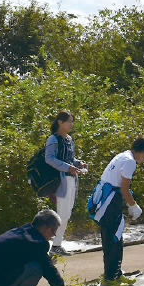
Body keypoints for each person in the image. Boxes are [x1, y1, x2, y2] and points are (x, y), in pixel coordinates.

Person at [88, 136, 144, 286]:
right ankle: (111, 278)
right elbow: (124, 189)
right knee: (114, 239)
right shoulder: (130, 161)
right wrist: (133, 205)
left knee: (111, 238)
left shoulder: (123, 155)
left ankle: (114, 273)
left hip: (105, 199)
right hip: (110, 203)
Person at [44, 110, 88, 256]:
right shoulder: (53, 139)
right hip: (60, 181)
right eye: (69, 121)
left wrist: (79, 164)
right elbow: (49, 158)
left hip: (71, 180)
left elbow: (70, 159)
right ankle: (54, 247)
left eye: (72, 121)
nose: (71, 124)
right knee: (61, 214)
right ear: (59, 122)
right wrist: (68, 167)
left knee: (66, 214)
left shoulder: (69, 139)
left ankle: (57, 245)